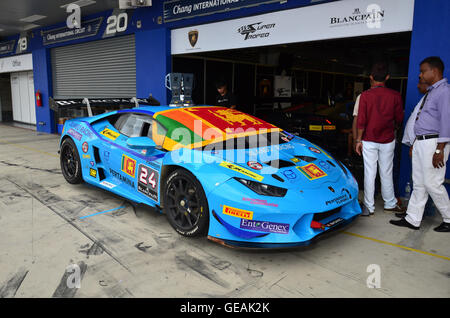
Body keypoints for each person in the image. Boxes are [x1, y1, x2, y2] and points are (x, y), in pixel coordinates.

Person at [390, 56, 450, 232]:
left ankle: (448, 218)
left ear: (435, 71)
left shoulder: (445, 91)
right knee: (419, 183)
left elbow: (447, 122)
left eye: (423, 71)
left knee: (433, 183)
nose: (421, 74)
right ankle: (413, 219)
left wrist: (440, 149)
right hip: (423, 142)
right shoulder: (432, 91)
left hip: (435, 143)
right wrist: (416, 143)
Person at [355, 62, 405, 216]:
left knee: (370, 173)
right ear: (388, 77)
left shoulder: (365, 96)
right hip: (388, 139)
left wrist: (358, 140)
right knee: (386, 171)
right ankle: (390, 203)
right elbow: (399, 118)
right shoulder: (395, 96)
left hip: (369, 139)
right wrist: (393, 127)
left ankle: (369, 207)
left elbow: (361, 120)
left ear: (371, 77)